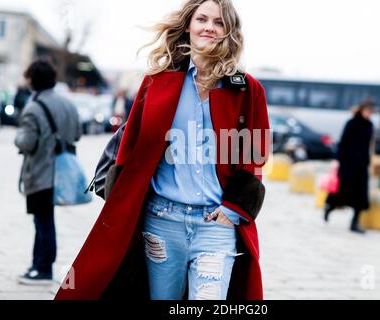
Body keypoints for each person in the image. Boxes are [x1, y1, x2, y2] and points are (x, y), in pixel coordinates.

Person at [55, 0, 270, 300]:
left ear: (229, 31)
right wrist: (123, 198)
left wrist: (234, 209)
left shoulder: (247, 89)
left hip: (216, 226)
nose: (209, 27)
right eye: (202, 19)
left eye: (219, 22)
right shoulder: (157, 82)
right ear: (188, 26)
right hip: (162, 220)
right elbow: (131, 145)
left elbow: (255, 150)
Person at [14, 59, 81, 285]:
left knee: (42, 222)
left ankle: (42, 270)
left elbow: (26, 143)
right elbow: (77, 134)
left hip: (41, 173)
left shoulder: (33, 107)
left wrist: (18, 137)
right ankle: (38, 266)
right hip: (62, 172)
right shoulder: (68, 104)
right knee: (45, 220)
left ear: (33, 79)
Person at [323, 99, 375, 234]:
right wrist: (338, 161)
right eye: (368, 110)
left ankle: (354, 223)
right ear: (362, 110)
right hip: (348, 163)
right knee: (342, 190)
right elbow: (343, 143)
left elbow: (367, 146)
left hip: (362, 165)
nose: (370, 113)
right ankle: (330, 207)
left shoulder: (369, 125)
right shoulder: (351, 123)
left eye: (371, 111)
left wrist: (368, 162)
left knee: (361, 195)